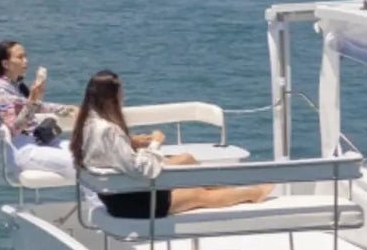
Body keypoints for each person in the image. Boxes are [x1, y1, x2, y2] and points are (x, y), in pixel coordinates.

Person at [70, 70, 272, 219]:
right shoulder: (109, 130)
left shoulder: (88, 124)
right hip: (131, 202)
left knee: (187, 159)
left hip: (120, 191)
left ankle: (229, 189)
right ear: (111, 98)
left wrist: (130, 143)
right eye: (121, 91)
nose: (124, 95)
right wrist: (155, 144)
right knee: (199, 195)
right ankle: (253, 194)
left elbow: (105, 154)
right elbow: (141, 170)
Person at [0, 40, 78, 179]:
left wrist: (66, 109)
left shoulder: (16, 87)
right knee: (76, 163)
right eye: (20, 57)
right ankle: (97, 200)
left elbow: (39, 107)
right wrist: (32, 101)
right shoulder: (0, 92)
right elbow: (15, 127)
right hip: (24, 149)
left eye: (25, 56)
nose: (26, 61)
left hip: (41, 142)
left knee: (88, 154)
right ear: (5, 64)